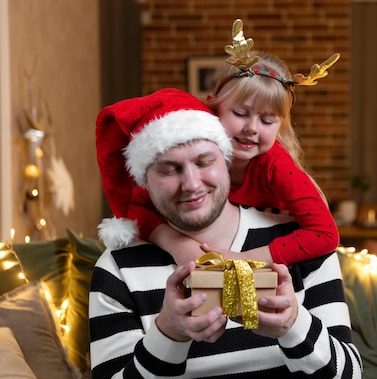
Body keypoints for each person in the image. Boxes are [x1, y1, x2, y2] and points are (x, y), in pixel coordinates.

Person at [90, 87, 362, 379]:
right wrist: (168, 335)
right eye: (169, 169)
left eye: (204, 162)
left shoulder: (296, 242)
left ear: (227, 159)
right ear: (144, 179)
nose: (191, 184)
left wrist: (293, 325)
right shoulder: (118, 267)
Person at [128, 19, 341, 267]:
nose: (251, 128)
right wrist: (177, 245)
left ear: (281, 125)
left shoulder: (276, 164)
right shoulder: (193, 147)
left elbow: (325, 234)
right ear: (214, 107)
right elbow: (133, 204)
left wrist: (243, 260)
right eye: (240, 114)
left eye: (267, 120)